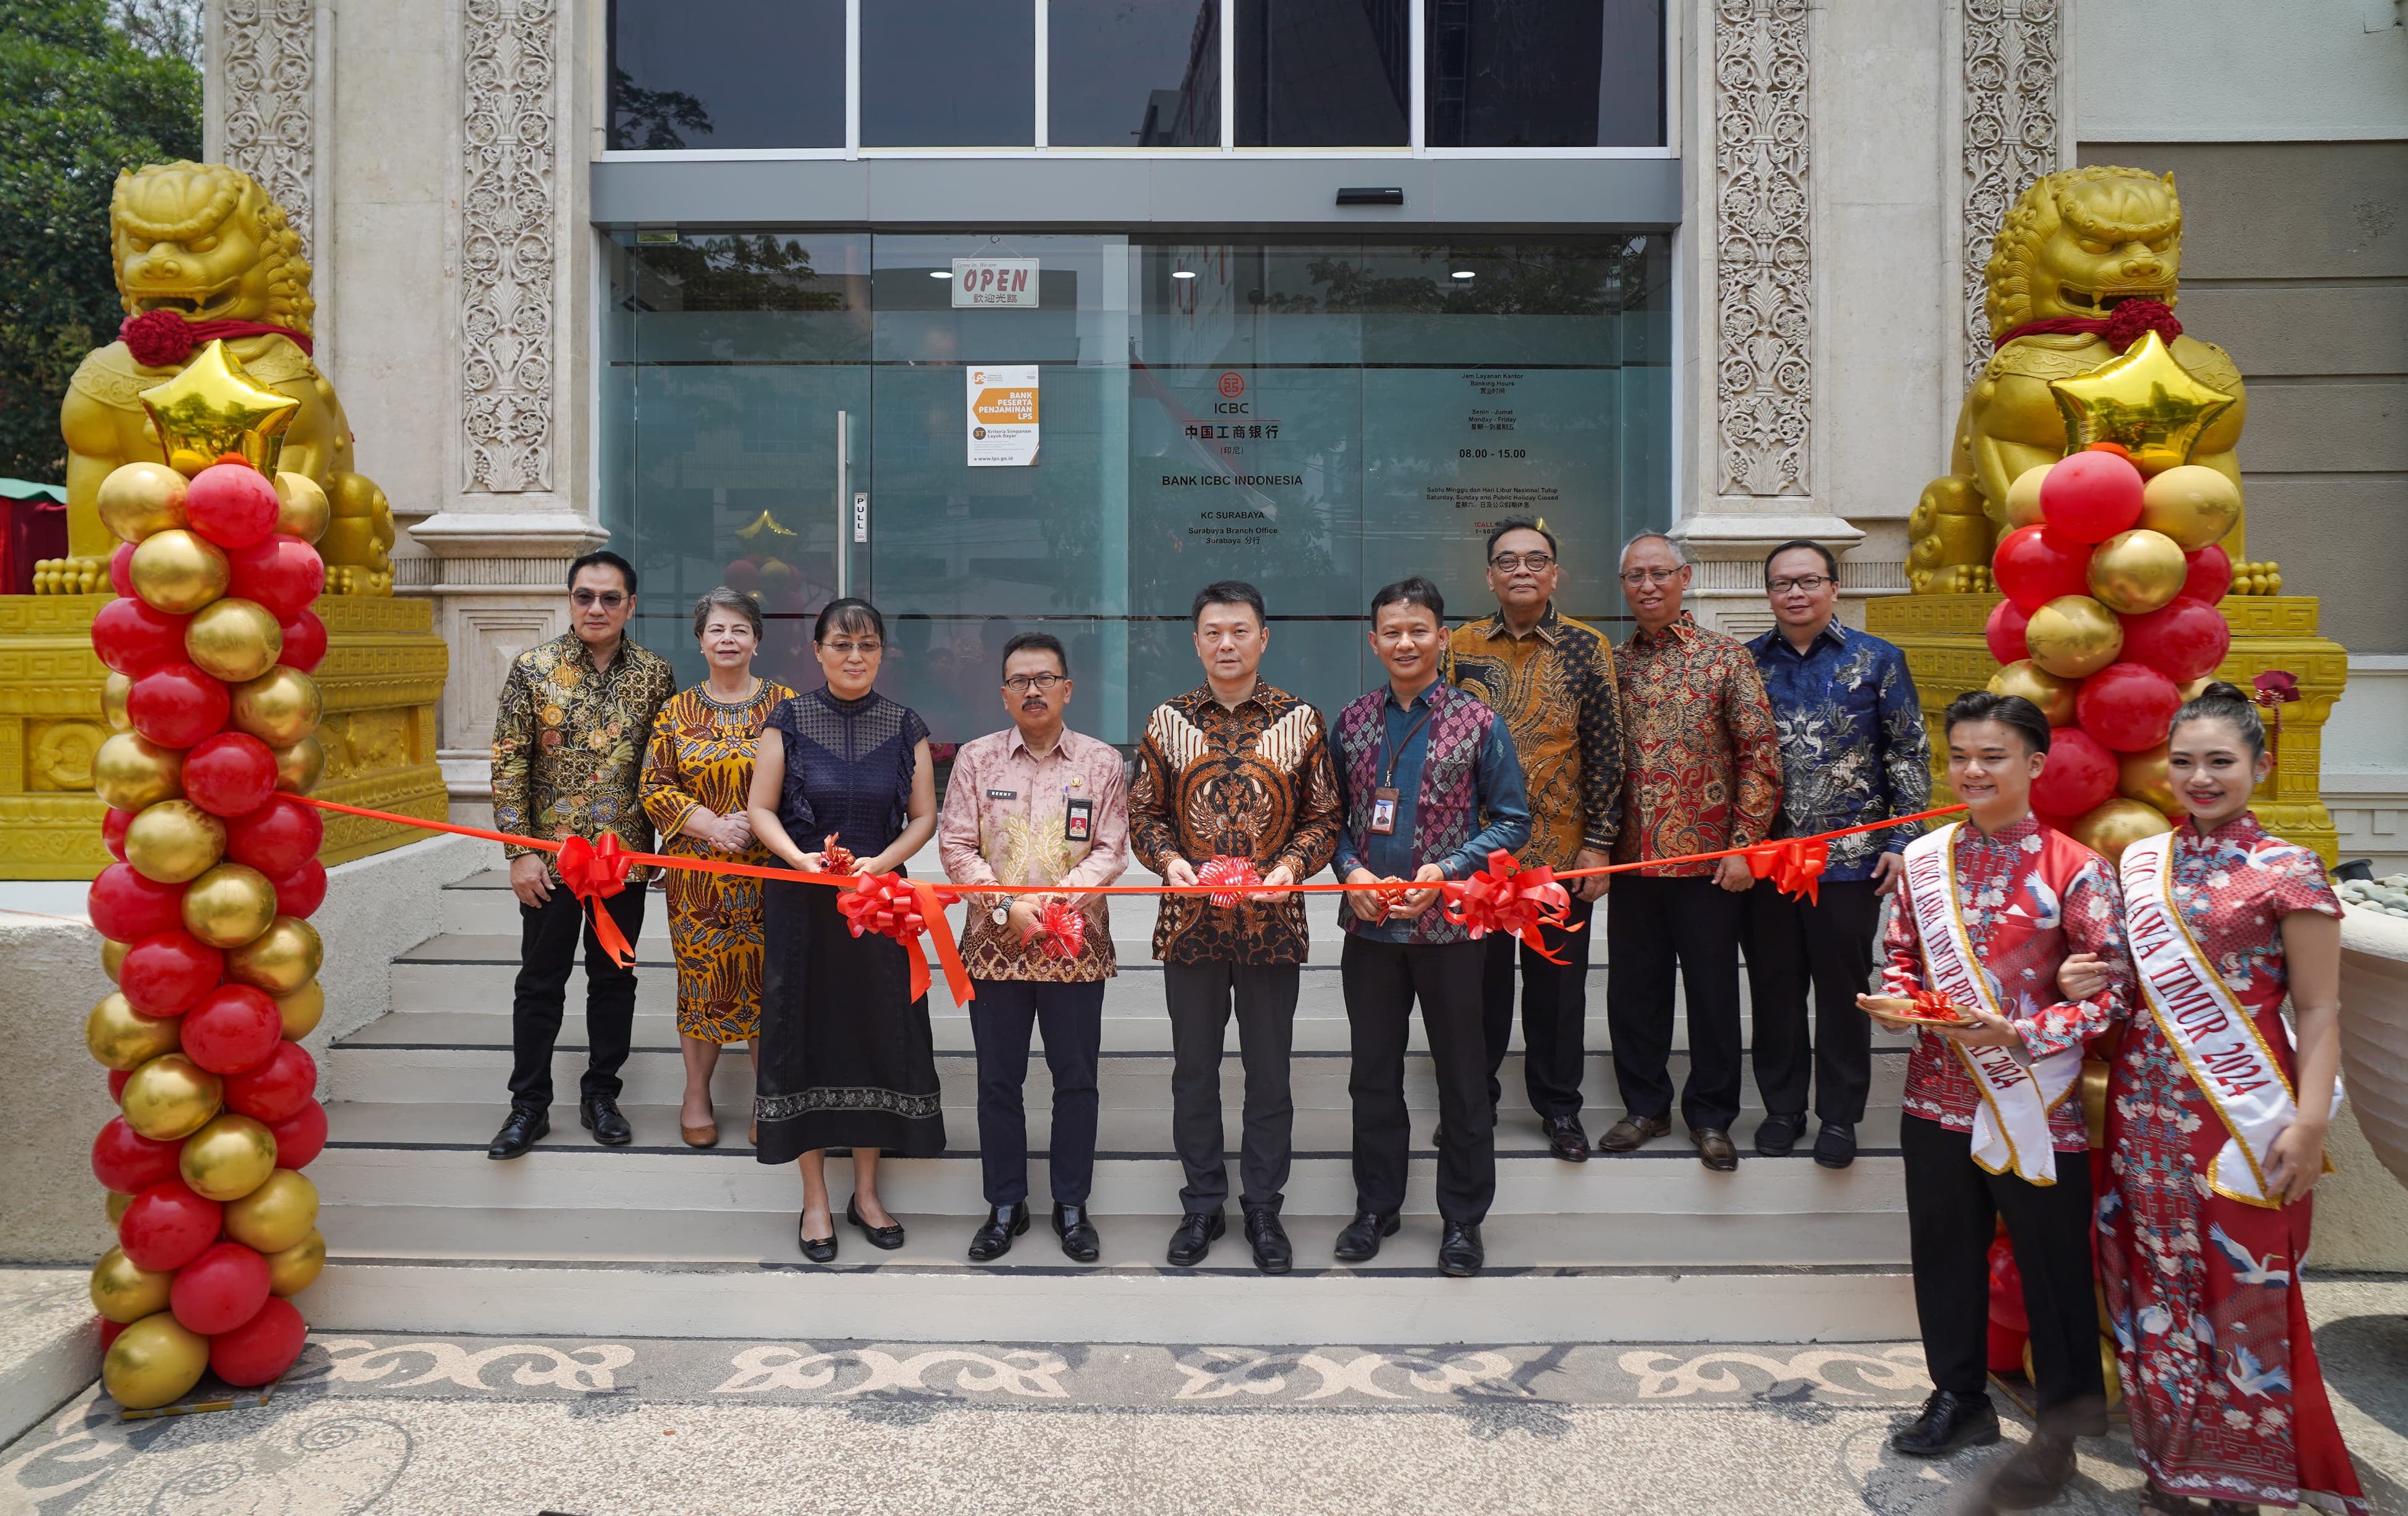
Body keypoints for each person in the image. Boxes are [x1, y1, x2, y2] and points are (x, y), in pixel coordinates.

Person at [2060, 684, 2367, 1516]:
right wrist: (2081, 976)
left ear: (2259, 766)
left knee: (2240, 1282)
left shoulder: (2288, 871)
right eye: (2184, 760)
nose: (2200, 777)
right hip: (2143, 1106)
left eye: (2220, 762)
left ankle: (2239, 1469)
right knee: (2152, 1275)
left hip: (2239, 1111)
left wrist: (2307, 1124)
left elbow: (2319, 1010)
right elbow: (2123, 981)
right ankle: (2173, 1461)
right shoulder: (2141, 862)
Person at [1864, 690, 2129, 1507]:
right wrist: (1898, 997)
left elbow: (2111, 993)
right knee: (1944, 1252)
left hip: (2036, 1102)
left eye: (1993, 756)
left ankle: (2062, 1426)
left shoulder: (2075, 867)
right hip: (1935, 1092)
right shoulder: (1925, 859)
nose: (1973, 771)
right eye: (1962, 755)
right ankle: (1959, 1396)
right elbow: (1903, 957)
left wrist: (2020, 1030)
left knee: (2052, 1266)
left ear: (2035, 764)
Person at [1129, 580, 1343, 1273]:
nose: (1227, 643)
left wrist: (1290, 869)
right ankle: (1201, 1205)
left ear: (1263, 638)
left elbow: (1324, 818)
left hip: (1271, 927)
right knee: (1193, 1072)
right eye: (1214, 631)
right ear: (1196, 641)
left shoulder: (1301, 720)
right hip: (1189, 926)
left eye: (1240, 630)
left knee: (1269, 1073)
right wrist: (1167, 861)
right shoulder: (1166, 721)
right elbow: (1145, 815)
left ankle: (1263, 1208)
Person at [1332, 578, 1531, 1277]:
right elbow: (1333, 825)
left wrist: (1445, 871)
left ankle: (1463, 1219)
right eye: (1392, 631)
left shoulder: (1478, 722)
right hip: (1372, 936)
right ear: (1375, 641)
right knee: (1373, 1078)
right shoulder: (1353, 721)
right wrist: (1351, 872)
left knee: (1463, 1079)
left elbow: (1513, 822)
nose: (1406, 642)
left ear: (1443, 637)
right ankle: (1376, 1206)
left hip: (1452, 934)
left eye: (1419, 629)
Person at [745, 597, 942, 1262]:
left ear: (882, 653)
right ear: (818, 651)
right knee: (804, 1036)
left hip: (882, 904)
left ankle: (865, 1192)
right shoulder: (790, 718)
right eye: (841, 644)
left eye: (867, 645)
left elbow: (923, 818)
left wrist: (881, 864)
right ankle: (815, 1202)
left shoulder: (905, 723)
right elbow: (760, 807)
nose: (854, 655)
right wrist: (798, 857)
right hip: (803, 903)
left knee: (875, 1037)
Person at [938, 632, 1130, 1264]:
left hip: (1077, 949)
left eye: (1045, 678)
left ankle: (1072, 1206)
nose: (1033, 690)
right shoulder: (975, 759)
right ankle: (1005, 1203)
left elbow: (1110, 849)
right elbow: (957, 847)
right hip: (995, 947)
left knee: (1076, 1081)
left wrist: (1056, 907)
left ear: (1068, 688)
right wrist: (1004, 905)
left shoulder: (1102, 762)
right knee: (999, 1081)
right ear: (1003, 694)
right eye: (1020, 680)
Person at [1740, 540, 1931, 1169]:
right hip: (1768, 859)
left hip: (1850, 858)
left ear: (1834, 587)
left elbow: (1907, 753)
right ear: (1767, 593)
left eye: (1807, 581)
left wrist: (1903, 841)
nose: (1795, 593)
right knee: (1774, 986)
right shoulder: (1745, 664)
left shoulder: (1878, 659)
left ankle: (1840, 1116)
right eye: (1781, 584)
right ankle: (1783, 1107)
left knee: (1843, 988)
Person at [487, 550, 676, 1160]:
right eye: (585, 596)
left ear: (630, 605)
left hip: (623, 863)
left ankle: (602, 1095)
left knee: (614, 978)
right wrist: (519, 852)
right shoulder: (532, 669)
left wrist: (666, 853)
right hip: (551, 865)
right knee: (540, 981)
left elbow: (664, 771)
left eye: (610, 598)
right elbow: (509, 762)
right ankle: (528, 1105)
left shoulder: (655, 674)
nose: (597, 607)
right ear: (570, 600)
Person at [1602, 532, 1780, 1171]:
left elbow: (1759, 759)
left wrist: (1744, 845)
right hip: (1632, 865)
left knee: (1711, 994)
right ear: (1622, 586)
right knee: (1634, 993)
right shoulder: (1611, 664)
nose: (1647, 585)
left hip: (1711, 867)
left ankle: (1711, 1116)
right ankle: (1645, 1107)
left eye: (1658, 573)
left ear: (1685, 577)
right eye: (1634, 576)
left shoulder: (1724, 658)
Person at [1445, 519, 1621, 1163]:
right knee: (1478, 987)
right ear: (1489, 575)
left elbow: (1607, 752)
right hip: (1477, 856)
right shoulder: (1458, 644)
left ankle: (1559, 1108)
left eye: (1536, 559)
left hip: (1559, 853)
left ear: (1555, 574)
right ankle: (1475, 1102)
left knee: (1556, 990)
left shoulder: (1588, 647)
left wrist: (1599, 843)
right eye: (1507, 561)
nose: (1522, 570)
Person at [640, 588, 795, 1149]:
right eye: (717, 630)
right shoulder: (676, 710)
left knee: (768, 985)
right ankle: (696, 1092)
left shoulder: (786, 705)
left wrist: (760, 823)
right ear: (700, 640)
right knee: (702, 983)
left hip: (769, 874)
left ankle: (767, 1094)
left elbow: (804, 781)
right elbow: (653, 787)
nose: (728, 640)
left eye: (739, 630)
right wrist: (709, 824)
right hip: (697, 879)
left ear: (757, 639)